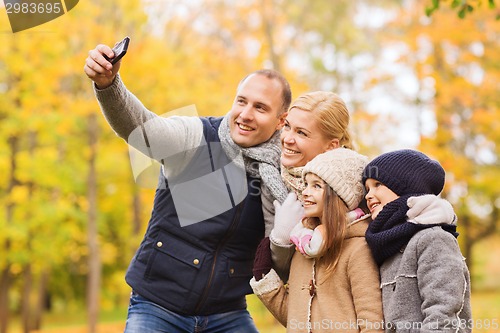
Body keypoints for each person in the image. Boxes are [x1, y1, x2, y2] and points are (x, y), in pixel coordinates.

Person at [84, 43, 292, 332]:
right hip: (157, 306)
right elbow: (143, 129)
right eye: (241, 101)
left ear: (281, 121)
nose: (245, 114)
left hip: (227, 312)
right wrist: (109, 85)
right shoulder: (196, 137)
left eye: (260, 108)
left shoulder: (284, 172)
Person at [250, 148, 384, 333]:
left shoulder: (357, 249)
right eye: (305, 184)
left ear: (338, 196)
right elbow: (295, 319)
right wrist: (267, 283)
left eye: (316, 186)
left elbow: (372, 323)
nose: (305, 192)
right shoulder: (303, 248)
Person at [363, 149, 472, 332]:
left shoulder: (433, 239)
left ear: (405, 186)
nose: (368, 195)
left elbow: (443, 316)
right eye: (367, 189)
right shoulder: (390, 244)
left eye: (377, 184)